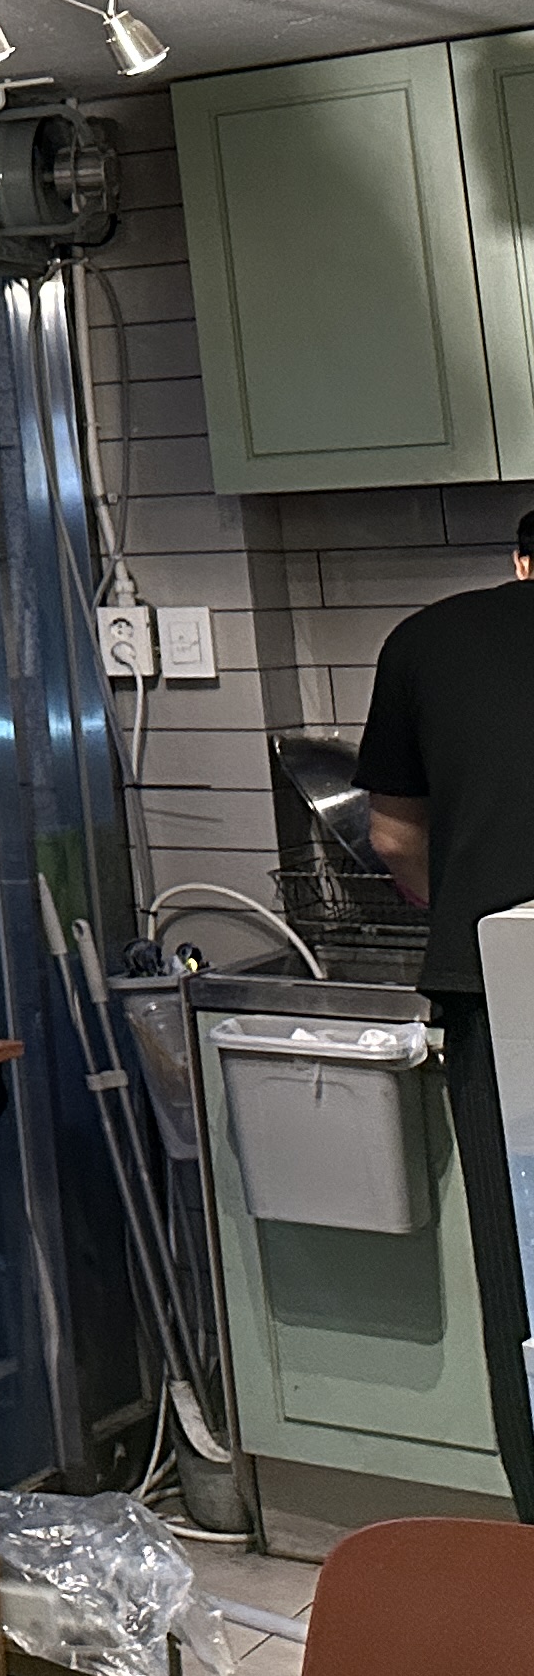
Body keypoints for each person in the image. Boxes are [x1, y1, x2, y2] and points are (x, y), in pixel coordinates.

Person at [359, 511, 534, 1520]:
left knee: (523, 1278)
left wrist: (461, 907)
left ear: (520, 561)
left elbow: (392, 836)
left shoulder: (428, 638)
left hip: (503, 993)